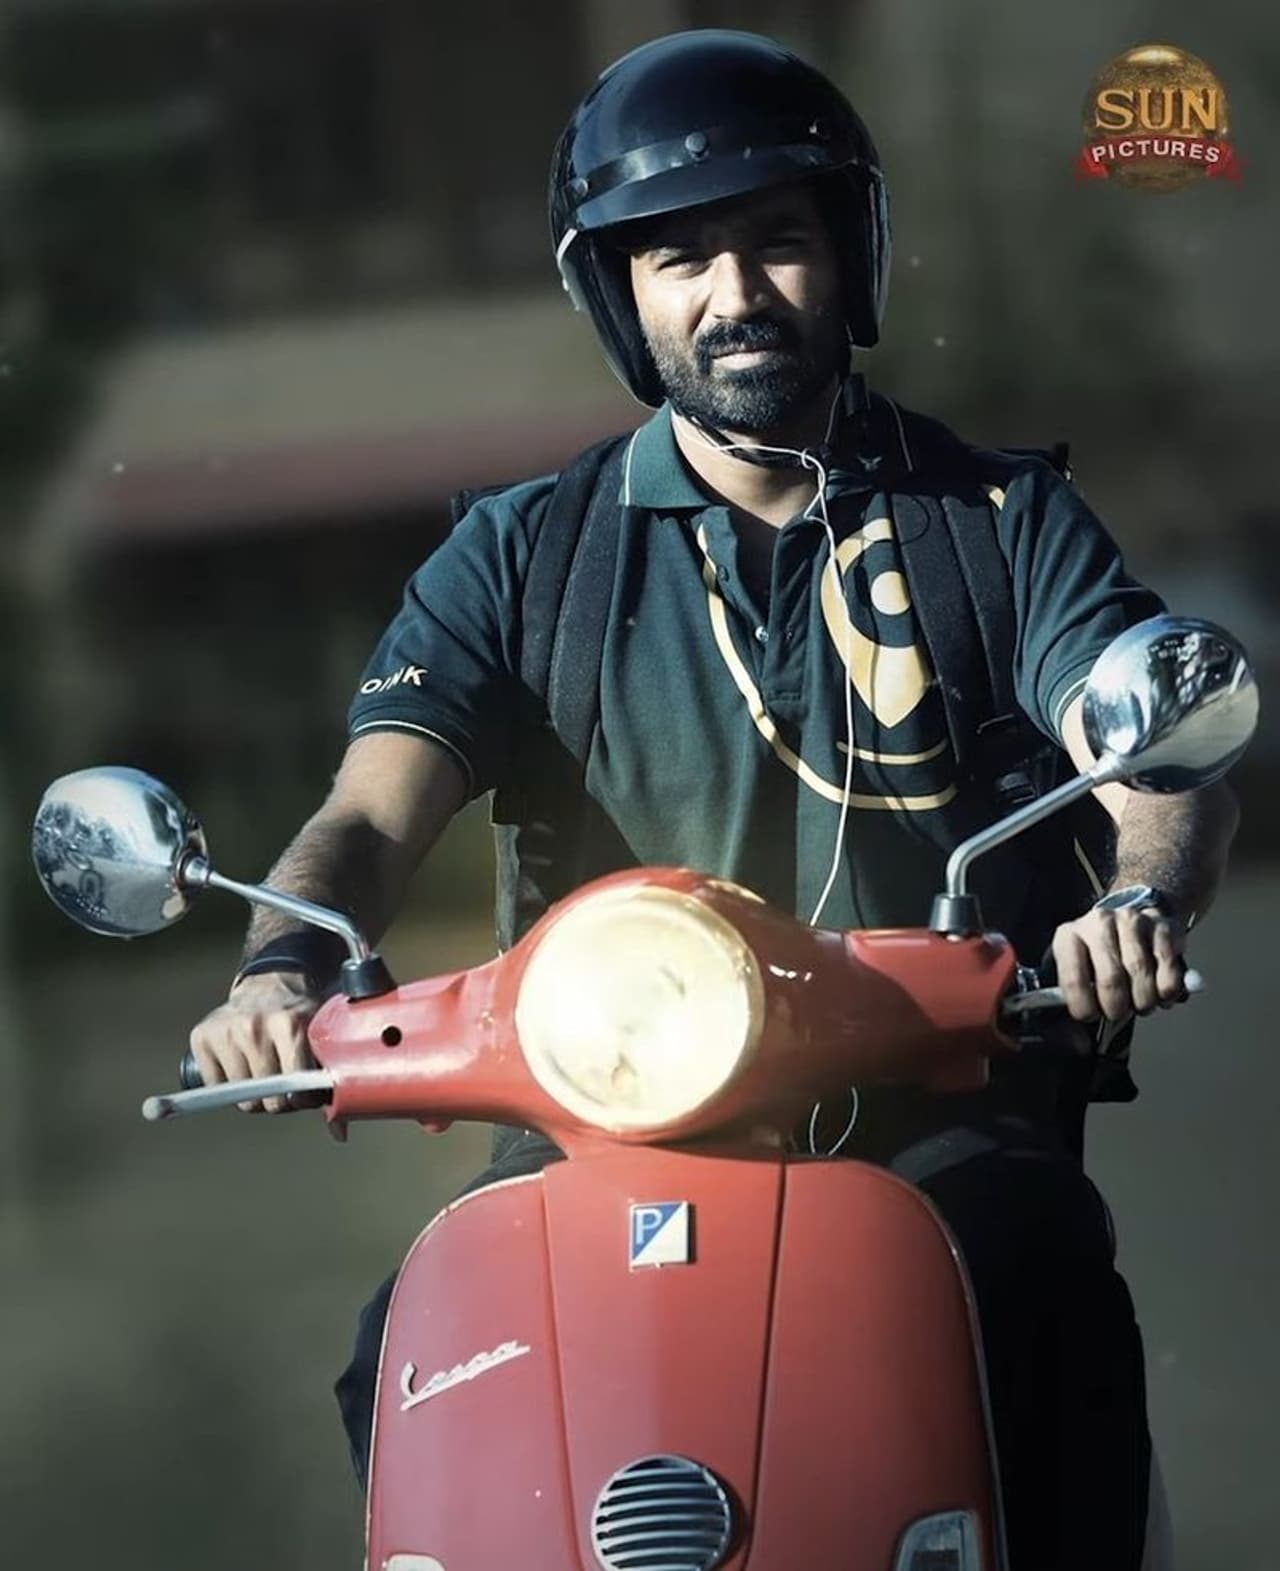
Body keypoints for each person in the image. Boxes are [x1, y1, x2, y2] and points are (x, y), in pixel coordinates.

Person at [188, 30, 1238, 1569]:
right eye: (680, 257)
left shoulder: (999, 521)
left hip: (929, 1099)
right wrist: (280, 967)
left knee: (1040, 1293)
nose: (733, 293)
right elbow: (368, 815)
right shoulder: (521, 556)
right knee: (402, 1348)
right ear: (621, 294)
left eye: (775, 241)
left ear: (851, 255)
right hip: (595, 1112)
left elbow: (1150, 742)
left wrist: (1139, 895)